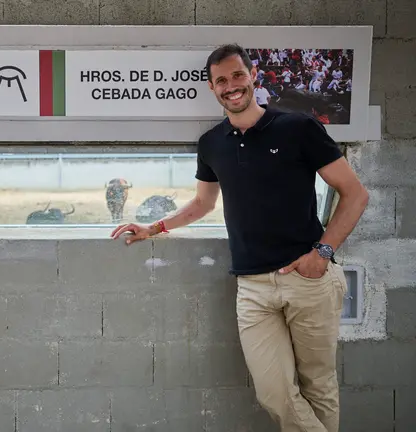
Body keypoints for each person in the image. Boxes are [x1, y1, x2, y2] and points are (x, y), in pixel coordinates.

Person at [111, 43, 369, 432]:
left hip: (309, 279)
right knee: (273, 392)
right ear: (213, 89)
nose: (231, 86)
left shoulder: (298, 128)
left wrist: (322, 254)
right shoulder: (212, 143)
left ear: (253, 76)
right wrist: (154, 228)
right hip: (253, 288)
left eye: (237, 76)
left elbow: (355, 194)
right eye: (221, 81)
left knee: (319, 387)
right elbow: (202, 204)